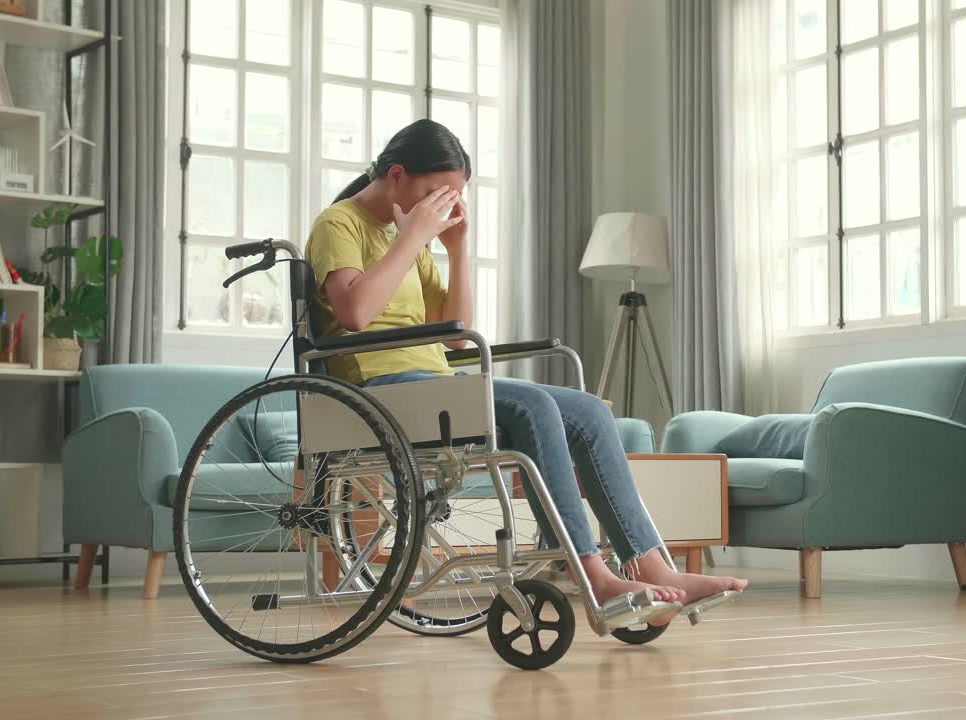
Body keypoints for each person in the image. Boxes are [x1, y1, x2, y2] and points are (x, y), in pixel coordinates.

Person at [306, 119, 746, 623]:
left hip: (431, 386)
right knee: (533, 405)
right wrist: (416, 237)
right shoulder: (338, 224)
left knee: (588, 409)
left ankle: (653, 567)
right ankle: (593, 576)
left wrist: (455, 247)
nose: (440, 208)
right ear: (398, 175)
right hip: (376, 390)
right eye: (433, 195)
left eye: (450, 199)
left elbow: (453, 333)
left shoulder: (408, 236)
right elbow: (355, 314)